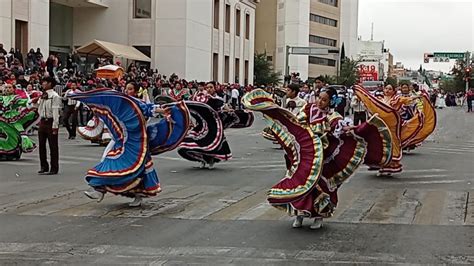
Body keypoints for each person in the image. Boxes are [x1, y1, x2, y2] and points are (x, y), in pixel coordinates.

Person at [243, 88, 393, 229]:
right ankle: (299, 214)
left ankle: (319, 216)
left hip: (324, 157)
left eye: (324, 100)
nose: (319, 102)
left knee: (322, 185)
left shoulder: (333, 117)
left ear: (331, 102)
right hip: (304, 155)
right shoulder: (308, 109)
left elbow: (339, 131)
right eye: (319, 98)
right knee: (301, 180)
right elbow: (297, 124)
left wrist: (349, 130)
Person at [37, 77, 61, 175]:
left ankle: (54, 167)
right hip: (43, 121)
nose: (43, 84)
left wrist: (55, 125)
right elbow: (39, 108)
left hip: (51, 122)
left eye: (45, 82)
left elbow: (56, 111)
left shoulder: (55, 96)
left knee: (53, 146)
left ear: (50, 84)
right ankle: (44, 166)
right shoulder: (43, 95)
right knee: (41, 145)